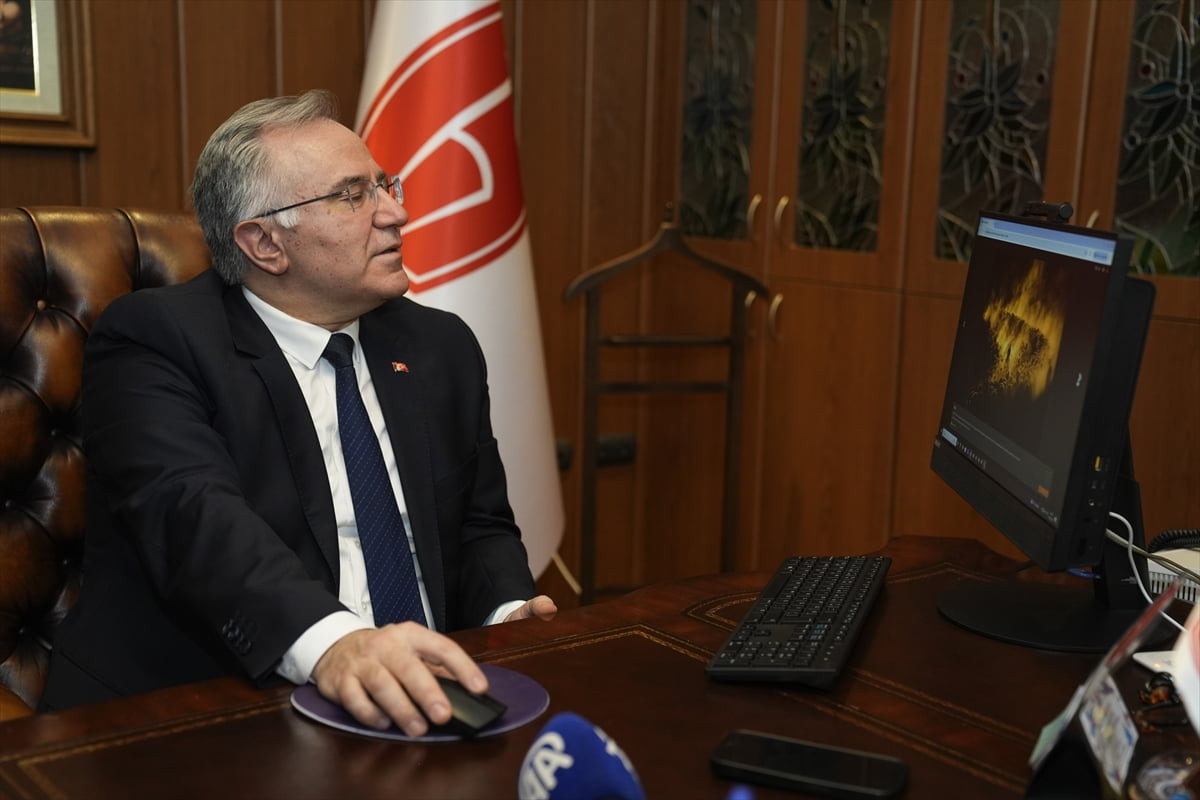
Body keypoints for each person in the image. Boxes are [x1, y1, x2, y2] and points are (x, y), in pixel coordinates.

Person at [40, 89, 557, 736]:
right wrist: (335, 645)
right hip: (202, 713)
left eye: (385, 185)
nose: (396, 212)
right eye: (352, 195)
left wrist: (507, 617)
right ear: (265, 243)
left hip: (427, 698)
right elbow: (195, 517)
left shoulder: (438, 345)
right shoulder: (155, 340)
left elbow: (479, 524)